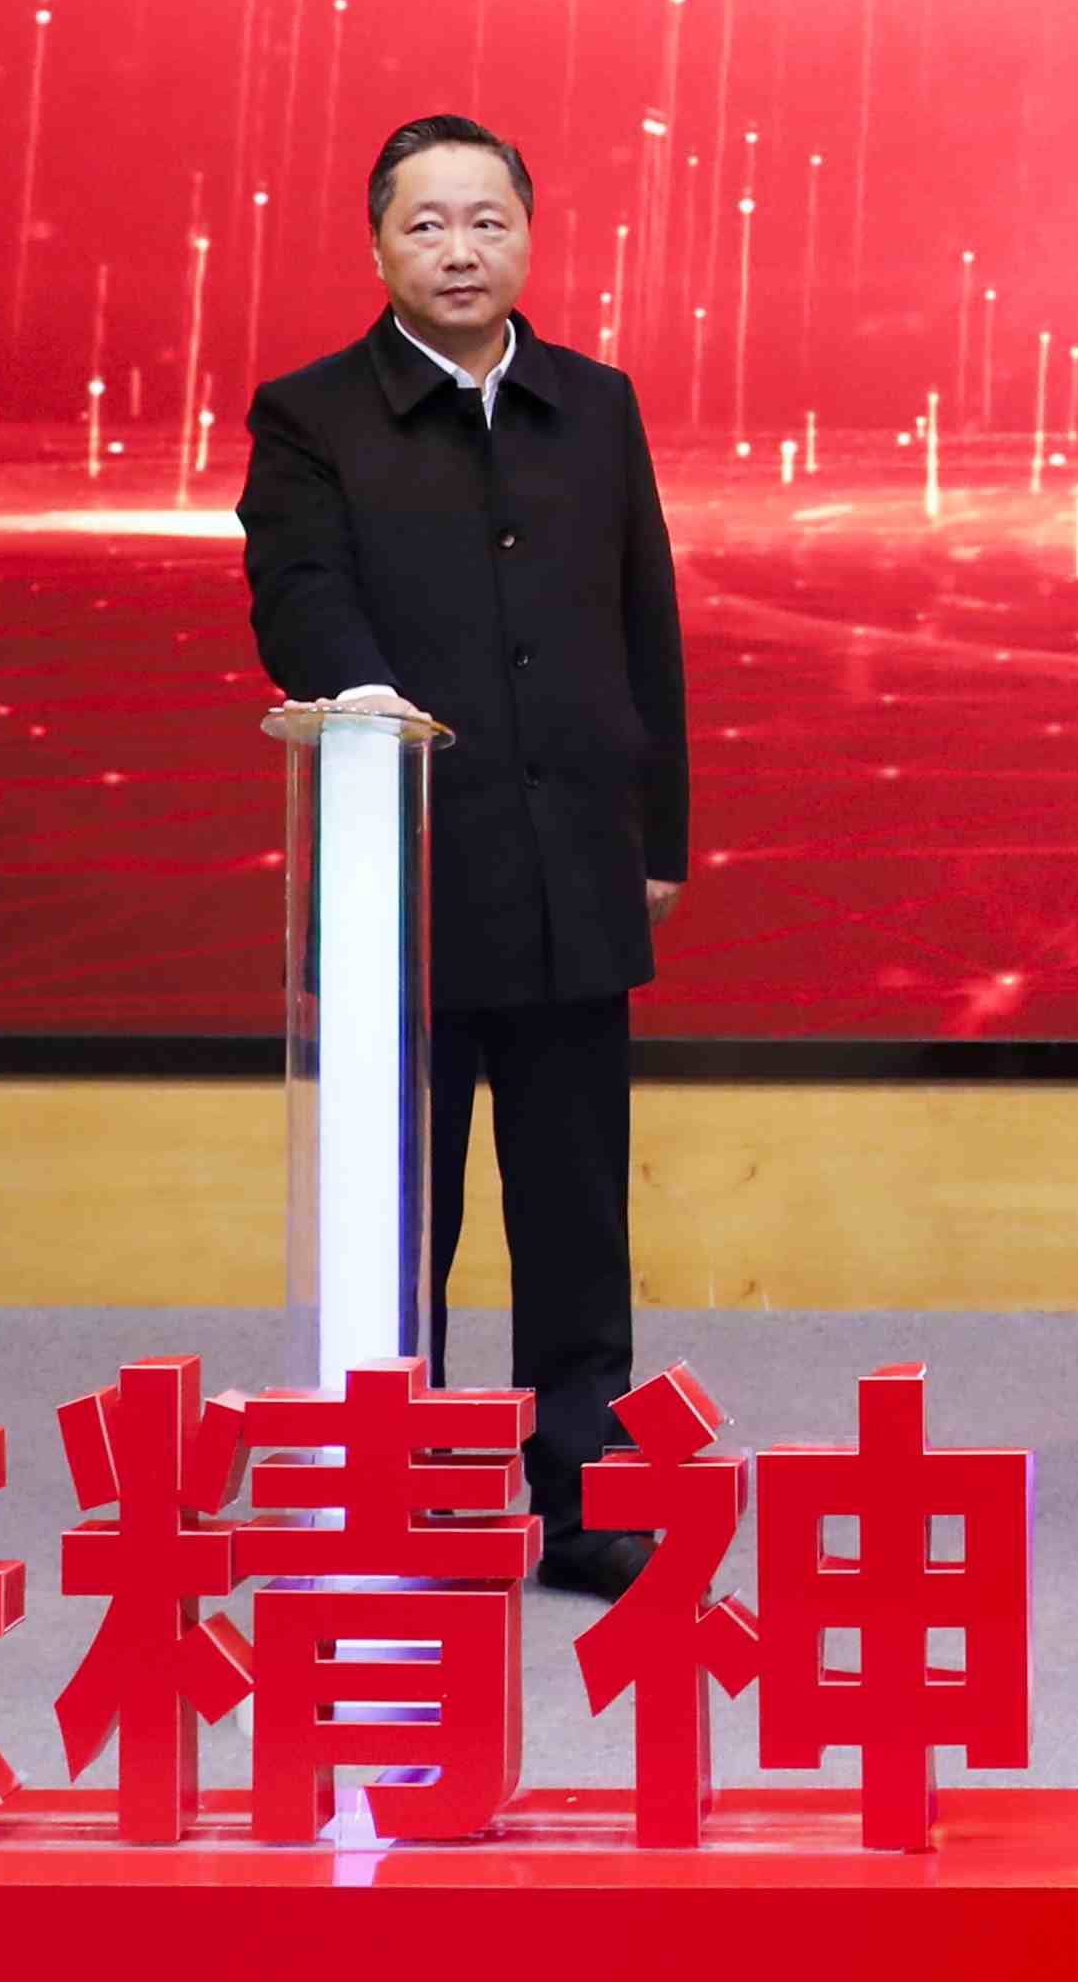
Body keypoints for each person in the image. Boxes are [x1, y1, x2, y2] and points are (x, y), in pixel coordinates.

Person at [237, 112, 688, 1601]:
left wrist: (659, 833)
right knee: (400, 1222)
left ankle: (586, 1496)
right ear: (377, 247)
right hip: (408, 881)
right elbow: (297, 595)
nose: (458, 249)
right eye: (425, 224)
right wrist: (368, 706)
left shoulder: (595, 405)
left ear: (528, 238)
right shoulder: (311, 415)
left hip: (574, 873)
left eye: (486, 220)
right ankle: (407, 1492)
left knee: (577, 1219)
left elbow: (645, 623)